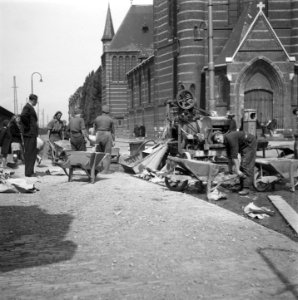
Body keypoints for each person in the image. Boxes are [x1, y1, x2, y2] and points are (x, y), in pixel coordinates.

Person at [212, 130, 257, 195]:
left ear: (221, 135)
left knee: (246, 164)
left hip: (250, 143)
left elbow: (234, 156)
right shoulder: (226, 141)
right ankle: (242, 186)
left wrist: (237, 170)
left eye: (218, 138)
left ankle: (246, 188)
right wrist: (230, 168)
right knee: (242, 164)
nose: (218, 141)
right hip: (243, 145)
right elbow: (229, 156)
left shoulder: (230, 138)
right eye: (217, 140)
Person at [20, 94, 39, 177]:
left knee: (32, 153)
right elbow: (23, 116)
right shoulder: (27, 107)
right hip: (29, 134)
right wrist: (28, 127)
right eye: (36, 101)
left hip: (31, 134)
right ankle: (28, 173)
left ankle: (30, 171)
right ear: (33, 100)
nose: (37, 102)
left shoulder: (29, 107)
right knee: (29, 153)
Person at [93, 105, 115, 173]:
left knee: (98, 153)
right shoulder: (110, 119)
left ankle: (98, 169)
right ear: (108, 111)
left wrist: (94, 137)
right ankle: (105, 171)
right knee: (107, 154)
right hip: (107, 134)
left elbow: (94, 128)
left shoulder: (97, 118)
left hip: (98, 134)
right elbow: (113, 131)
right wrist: (113, 140)